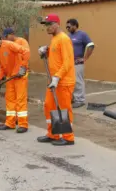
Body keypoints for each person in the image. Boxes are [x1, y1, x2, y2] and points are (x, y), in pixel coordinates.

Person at [38, 13, 75, 146]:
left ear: (56, 24)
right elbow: (56, 56)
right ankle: (53, 134)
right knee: (49, 106)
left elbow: (67, 62)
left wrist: (57, 77)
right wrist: (45, 51)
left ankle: (68, 137)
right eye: (45, 25)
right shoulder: (54, 39)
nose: (47, 27)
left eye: (49, 24)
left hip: (63, 81)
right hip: (53, 81)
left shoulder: (63, 39)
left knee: (64, 109)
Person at [0, 32, 30, 133]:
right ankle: (10, 123)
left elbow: (26, 52)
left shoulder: (9, 44)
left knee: (20, 100)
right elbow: (2, 67)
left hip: (19, 76)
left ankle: (23, 124)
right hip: (10, 77)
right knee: (10, 100)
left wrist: (23, 67)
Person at [66, 19, 95, 108]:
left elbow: (91, 45)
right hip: (68, 63)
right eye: (66, 26)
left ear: (75, 25)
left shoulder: (82, 34)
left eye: (69, 26)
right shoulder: (68, 36)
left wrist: (84, 58)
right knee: (70, 82)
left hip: (78, 63)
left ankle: (80, 100)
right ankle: (73, 98)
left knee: (78, 81)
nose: (67, 28)